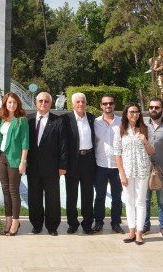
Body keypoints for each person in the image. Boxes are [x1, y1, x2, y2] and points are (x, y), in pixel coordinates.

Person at [26, 92, 67, 236]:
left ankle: (52, 226)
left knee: (52, 198)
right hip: (32, 166)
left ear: (51, 103)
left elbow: (63, 144)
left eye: (46, 101)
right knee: (34, 197)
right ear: (36, 102)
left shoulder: (58, 120)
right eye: (40, 100)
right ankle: (36, 225)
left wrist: (63, 165)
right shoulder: (28, 119)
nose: (43, 103)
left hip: (52, 167)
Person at [115, 103, 155, 245]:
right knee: (129, 201)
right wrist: (121, 173)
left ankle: (139, 233)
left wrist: (144, 141)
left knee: (140, 201)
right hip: (127, 171)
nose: (134, 114)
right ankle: (131, 231)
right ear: (126, 114)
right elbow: (117, 154)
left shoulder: (146, 129)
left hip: (142, 171)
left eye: (137, 112)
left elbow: (152, 152)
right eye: (131, 112)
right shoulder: (120, 130)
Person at [0, 92, 29, 236]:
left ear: (18, 104)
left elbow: (25, 142)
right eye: (9, 102)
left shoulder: (21, 121)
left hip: (14, 159)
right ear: (5, 104)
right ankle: (8, 220)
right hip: (1, 158)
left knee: (14, 191)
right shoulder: (3, 120)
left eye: (14, 102)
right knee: (5, 191)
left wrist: (23, 161)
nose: (12, 105)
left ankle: (15, 221)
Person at [64, 92, 96, 234]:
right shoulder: (66, 119)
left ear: (86, 103)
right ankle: (72, 223)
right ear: (72, 104)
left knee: (88, 194)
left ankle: (87, 224)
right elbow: (62, 144)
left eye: (83, 101)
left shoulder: (92, 119)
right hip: (72, 161)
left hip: (88, 159)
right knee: (71, 194)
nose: (80, 104)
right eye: (77, 102)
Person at [92, 94, 124, 234]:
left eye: (110, 103)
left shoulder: (122, 122)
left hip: (117, 166)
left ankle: (116, 223)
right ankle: (98, 222)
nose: (108, 106)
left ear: (114, 105)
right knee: (100, 196)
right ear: (101, 105)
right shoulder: (95, 122)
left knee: (117, 197)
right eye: (105, 104)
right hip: (100, 165)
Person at [144, 97, 163, 236]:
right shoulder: (142, 126)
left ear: (162, 109)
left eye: (157, 107)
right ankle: (145, 225)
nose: (154, 109)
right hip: (146, 170)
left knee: (162, 200)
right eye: (151, 107)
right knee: (145, 200)